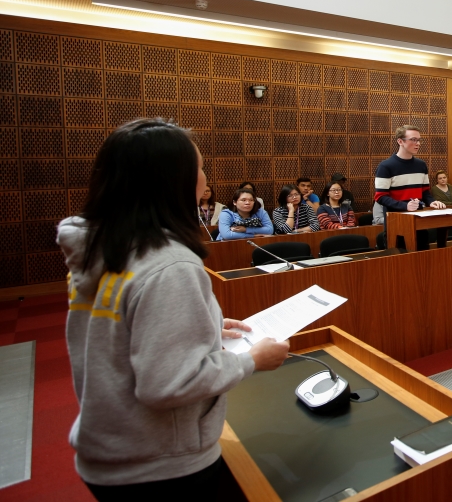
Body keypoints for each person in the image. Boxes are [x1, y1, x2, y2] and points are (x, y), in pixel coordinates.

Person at [58, 119, 288, 498]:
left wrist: (205, 325)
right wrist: (253, 360)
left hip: (111, 446)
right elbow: (170, 384)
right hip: (160, 463)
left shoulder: (106, 245)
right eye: (198, 167)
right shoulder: (169, 265)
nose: (203, 177)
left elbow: (123, 331)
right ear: (170, 180)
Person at [374, 125, 446, 250]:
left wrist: (432, 202)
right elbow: (380, 197)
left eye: (419, 140)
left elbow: (425, 193)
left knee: (424, 260)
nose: (417, 143)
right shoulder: (386, 166)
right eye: (413, 139)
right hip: (396, 224)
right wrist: (405, 206)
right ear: (400, 141)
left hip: (419, 222)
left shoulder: (421, 165)